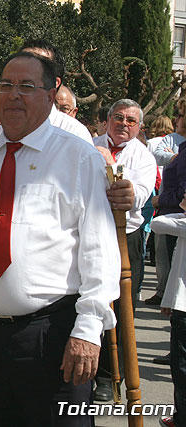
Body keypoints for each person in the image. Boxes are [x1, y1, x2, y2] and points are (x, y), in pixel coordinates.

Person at [0, 51, 120, 426]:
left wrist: (88, 330)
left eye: (27, 87)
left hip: (51, 339)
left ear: (51, 95)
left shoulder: (78, 159)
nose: (14, 95)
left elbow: (99, 250)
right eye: (7, 86)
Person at [92, 99, 157, 400]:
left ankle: (113, 376)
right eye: (118, 117)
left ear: (139, 127)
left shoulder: (143, 156)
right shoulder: (88, 144)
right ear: (106, 121)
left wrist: (111, 166)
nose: (123, 124)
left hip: (125, 237)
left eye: (131, 121)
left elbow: (137, 196)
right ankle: (97, 375)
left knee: (121, 307)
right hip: (91, 231)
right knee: (92, 300)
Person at [147, 100, 186, 306]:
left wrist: (159, 199)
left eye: (180, 115)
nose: (176, 120)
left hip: (174, 215)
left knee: (173, 264)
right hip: (170, 213)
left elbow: (183, 192)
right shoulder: (177, 145)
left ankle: (170, 301)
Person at [18, 39, 93, 144]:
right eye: (22, 63)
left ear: (55, 82)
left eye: (37, 66)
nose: (26, 71)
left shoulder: (75, 135)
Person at [154, 193, 186, 427]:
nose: (183, 194)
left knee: (182, 367)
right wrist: (168, 298)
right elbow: (178, 265)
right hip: (180, 303)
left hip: (184, 310)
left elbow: (158, 223)